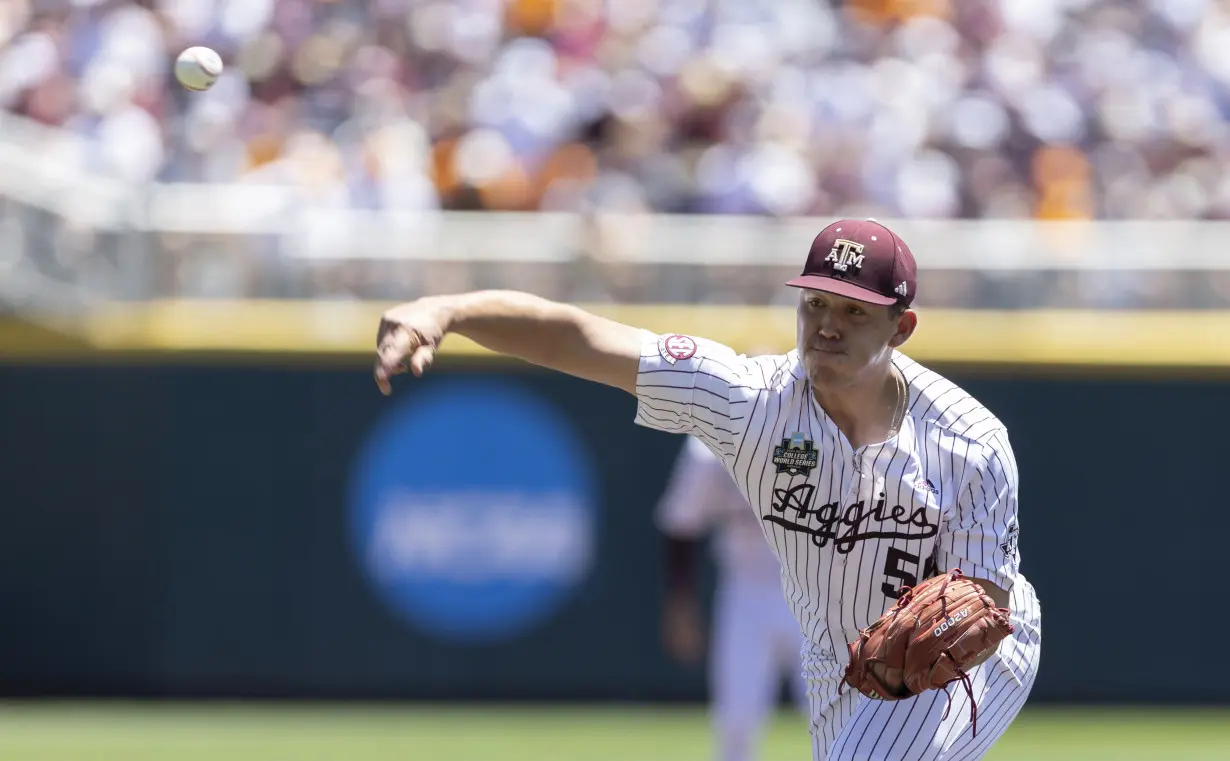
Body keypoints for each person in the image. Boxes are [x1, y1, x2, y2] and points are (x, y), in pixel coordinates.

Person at [372, 218, 1042, 760]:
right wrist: (450, 309)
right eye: (814, 303)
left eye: (853, 309)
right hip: (835, 660)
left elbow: (986, 603)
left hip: (963, 667)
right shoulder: (749, 399)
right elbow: (583, 337)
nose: (828, 324)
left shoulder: (967, 440)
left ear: (901, 327)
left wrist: (946, 634)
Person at [656, 433, 807, 761]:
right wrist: (680, 605)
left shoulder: (815, 432)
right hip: (746, 589)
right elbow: (681, 522)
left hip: (814, 592)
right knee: (736, 721)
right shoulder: (708, 445)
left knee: (834, 716)